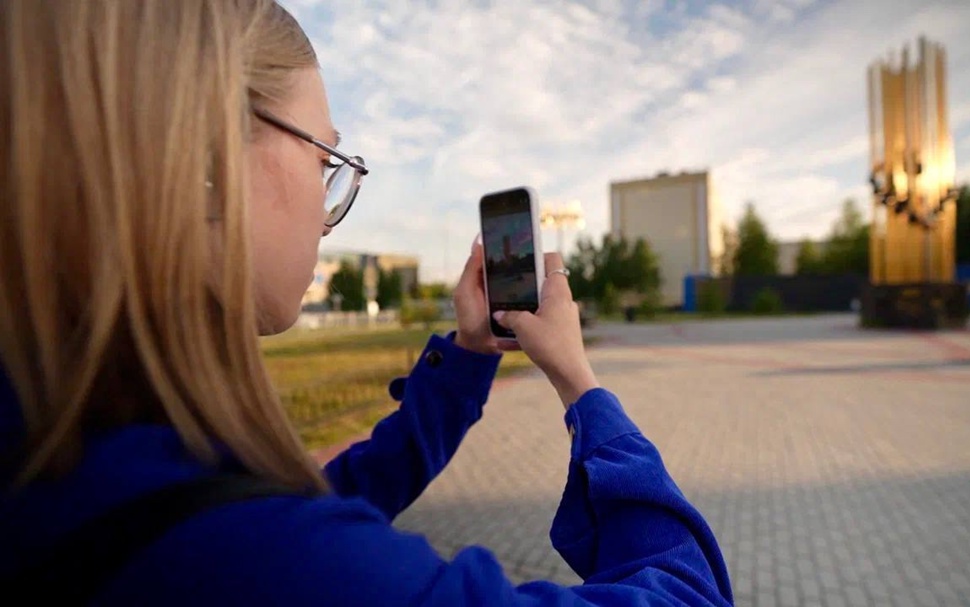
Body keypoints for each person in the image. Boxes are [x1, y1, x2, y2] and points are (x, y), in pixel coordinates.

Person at [0, 1, 734, 605]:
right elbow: (688, 591)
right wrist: (581, 384)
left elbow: (321, 494)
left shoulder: (75, 453)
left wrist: (469, 358)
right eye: (326, 161)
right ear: (206, 160)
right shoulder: (259, 559)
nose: (328, 211)